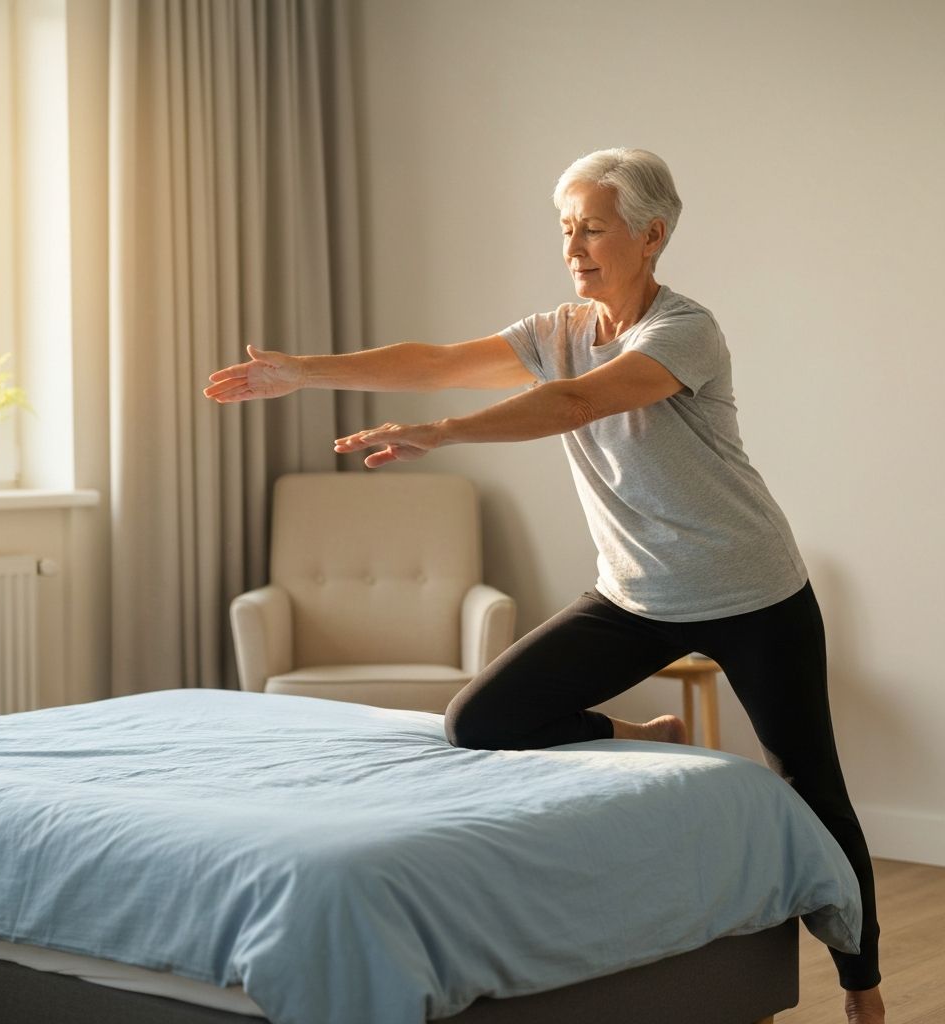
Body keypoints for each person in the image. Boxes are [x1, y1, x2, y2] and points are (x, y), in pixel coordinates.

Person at [203, 147, 885, 1024]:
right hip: (635, 596)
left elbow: (575, 406)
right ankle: (645, 729)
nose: (575, 247)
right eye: (566, 230)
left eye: (593, 229)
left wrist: (439, 436)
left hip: (750, 590)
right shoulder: (556, 331)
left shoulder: (685, 330)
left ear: (652, 235)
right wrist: (305, 370)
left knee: (813, 785)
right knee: (479, 721)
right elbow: (439, 358)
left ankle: (863, 990)